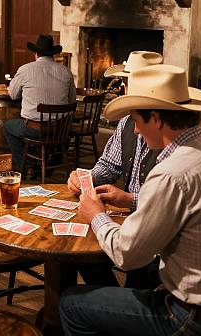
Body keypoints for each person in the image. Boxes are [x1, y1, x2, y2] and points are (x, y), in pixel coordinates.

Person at [60, 64, 201, 335]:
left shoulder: (171, 173)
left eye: (136, 120)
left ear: (156, 119)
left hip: (190, 316)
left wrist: (96, 214)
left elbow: (126, 255)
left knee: (71, 304)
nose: (134, 131)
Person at [67, 51, 164, 288]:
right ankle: (109, 300)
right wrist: (86, 178)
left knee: (74, 304)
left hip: (156, 235)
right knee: (76, 249)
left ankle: (117, 308)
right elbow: (109, 165)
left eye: (127, 82)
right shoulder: (126, 123)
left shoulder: (169, 135)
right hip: (128, 220)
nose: (122, 86)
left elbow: (167, 202)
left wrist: (130, 199)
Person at [3, 35, 76, 177]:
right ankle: (50, 167)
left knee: (8, 126)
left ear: (35, 53)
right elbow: (71, 100)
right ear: (53, 54)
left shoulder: (25, 70)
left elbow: (12, 94)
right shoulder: (66, 72)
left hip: (34, 129)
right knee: (65, 133)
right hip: (60, 129)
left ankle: (28, 168)